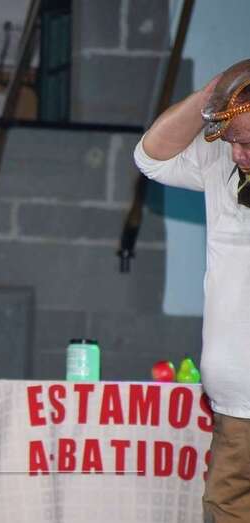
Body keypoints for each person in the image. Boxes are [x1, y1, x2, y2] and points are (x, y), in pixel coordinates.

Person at [134, 59, 250, 523]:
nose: (237, 154)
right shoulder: (222, 163)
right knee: (225, 512)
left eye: (246, 143)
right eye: (232, 140)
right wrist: (212, 95)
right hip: (235, 406)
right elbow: (150, 158)